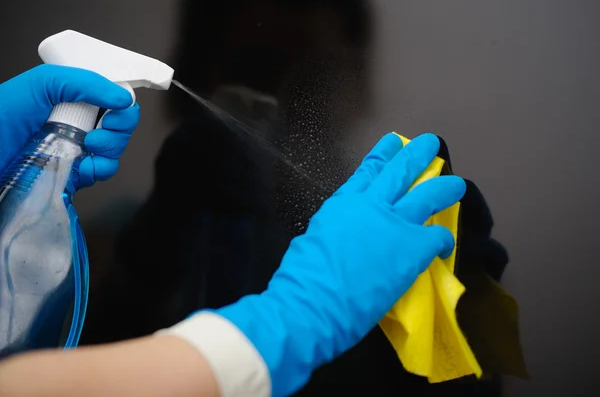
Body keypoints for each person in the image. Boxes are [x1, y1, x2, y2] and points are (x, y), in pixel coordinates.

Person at [0, 65, 465, 396]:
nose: (273, 101)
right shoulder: (119, 231)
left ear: (355, 85)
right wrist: (295, 317)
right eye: (254, 67)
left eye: (309, 77)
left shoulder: (398, 236)